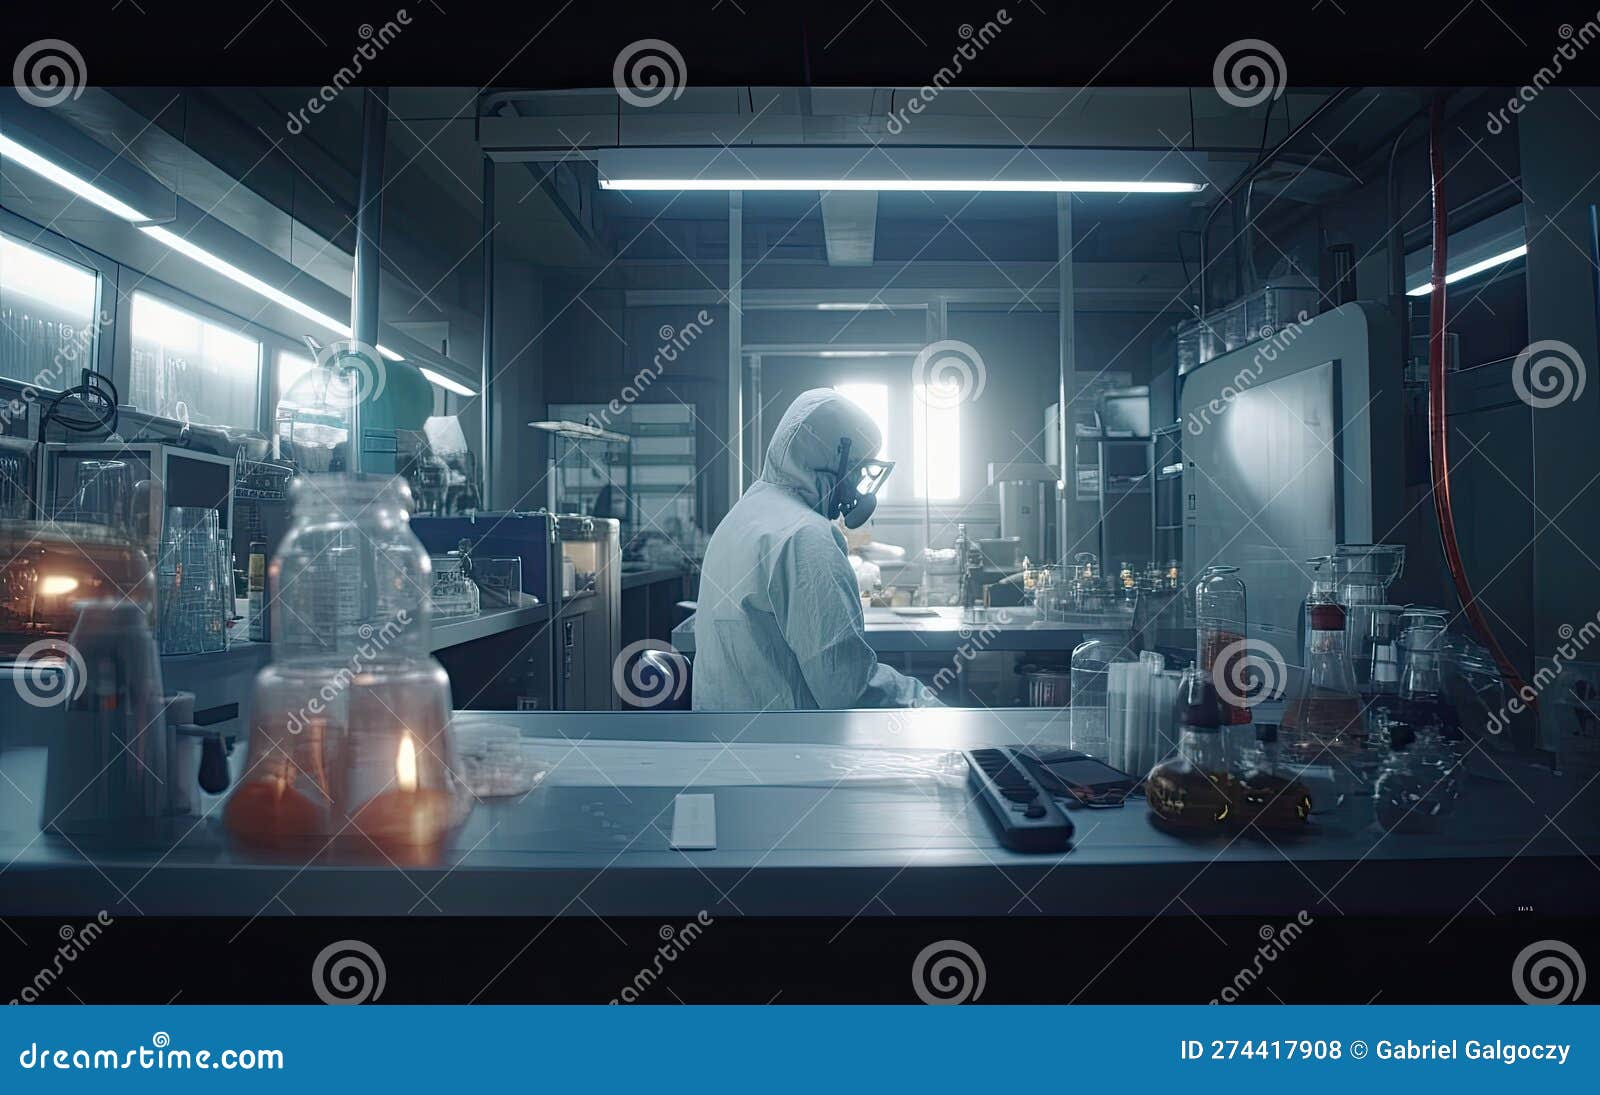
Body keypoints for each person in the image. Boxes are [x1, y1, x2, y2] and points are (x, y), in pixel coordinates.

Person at [690, 388, 940, 710]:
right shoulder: (806, 535)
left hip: (724, 739)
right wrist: (923, 701)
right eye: (856, 469)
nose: (857, 485)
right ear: (834, 460)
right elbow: (847, 688)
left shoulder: (742, 515)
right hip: (788, 749)